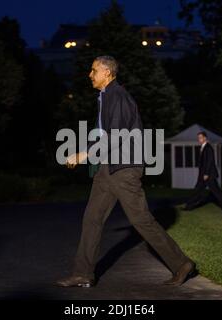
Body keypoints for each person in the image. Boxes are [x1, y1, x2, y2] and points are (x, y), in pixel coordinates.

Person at [56, 55, 197, 288]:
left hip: (123, 169)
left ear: (107, 73)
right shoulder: (105, 97)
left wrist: (83, 155)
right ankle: (83, 273)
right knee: (92, 219)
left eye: (93, 71)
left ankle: (181, 263)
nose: (90, 75)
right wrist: (89, 154)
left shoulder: (118, 96)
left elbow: (116, 135)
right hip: (106, 168)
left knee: (141, 220)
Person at [183, 131, 222, 211]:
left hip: (208, 175)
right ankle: (188, 206)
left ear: (205, 138)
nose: (199, 139)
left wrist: (206, 173)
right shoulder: (203, 147)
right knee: (197, 190)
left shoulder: (208, 148)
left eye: (200, 138)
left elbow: (210, 161)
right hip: (203, 175)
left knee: (216, 192)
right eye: (198, 138)